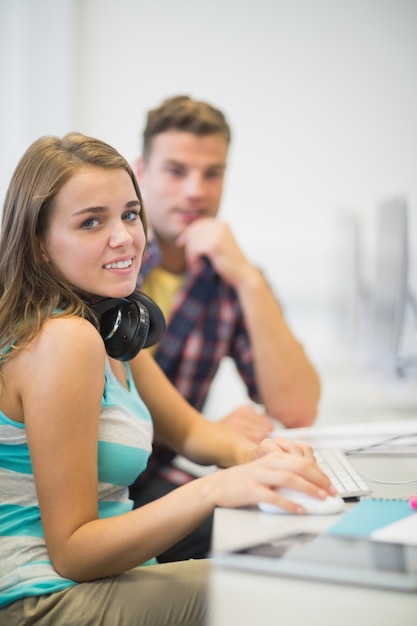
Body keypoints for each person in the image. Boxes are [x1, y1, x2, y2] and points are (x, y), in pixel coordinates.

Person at [0, 132, 337, 625]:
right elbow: (73, 552)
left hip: (94, 582)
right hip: (44, 599)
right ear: (41, 245)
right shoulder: (64, 341)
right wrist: (215, 490)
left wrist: (257, 456)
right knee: (287, 582)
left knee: (286, 564)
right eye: (92, 221)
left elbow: (191, 431)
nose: (124, 238)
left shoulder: (108, 326)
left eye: (130, 214)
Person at [129, 95, 322, 560]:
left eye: (212, 173)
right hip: (105, 483)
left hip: (157, 474)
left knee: (285, 521)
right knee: (260, 541)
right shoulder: (111, 261)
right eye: (176, 171)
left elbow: (297, 409)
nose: (196, 190)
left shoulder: (228, 277)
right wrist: (205, 431)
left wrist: (248, 279)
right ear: (141, 172)